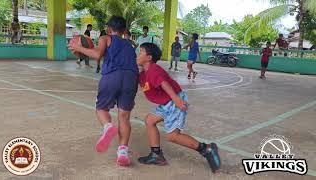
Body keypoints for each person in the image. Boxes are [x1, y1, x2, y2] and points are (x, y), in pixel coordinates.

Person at [136, 42, 221, 173]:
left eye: (141, 51)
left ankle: (206, 149)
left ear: (149, 57)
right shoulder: (143, 74)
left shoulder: (153, 70)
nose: (138, 53)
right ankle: (156, 155)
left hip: (173, 100)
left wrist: (176, 99)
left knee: (173, 136)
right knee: (150, 120)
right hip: (166, 103)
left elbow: (164, 84)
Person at [69, 16, 139, 166]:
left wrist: (79, 48)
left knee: (101, 108)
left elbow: (97, 55)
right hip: (131, 78)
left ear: (108, 29)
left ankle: (108, 127)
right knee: (124, 117)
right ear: (124, 30)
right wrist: (88, 48)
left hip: (112, 76)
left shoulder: (105, 38)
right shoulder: (129, 44)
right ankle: (122, 152)